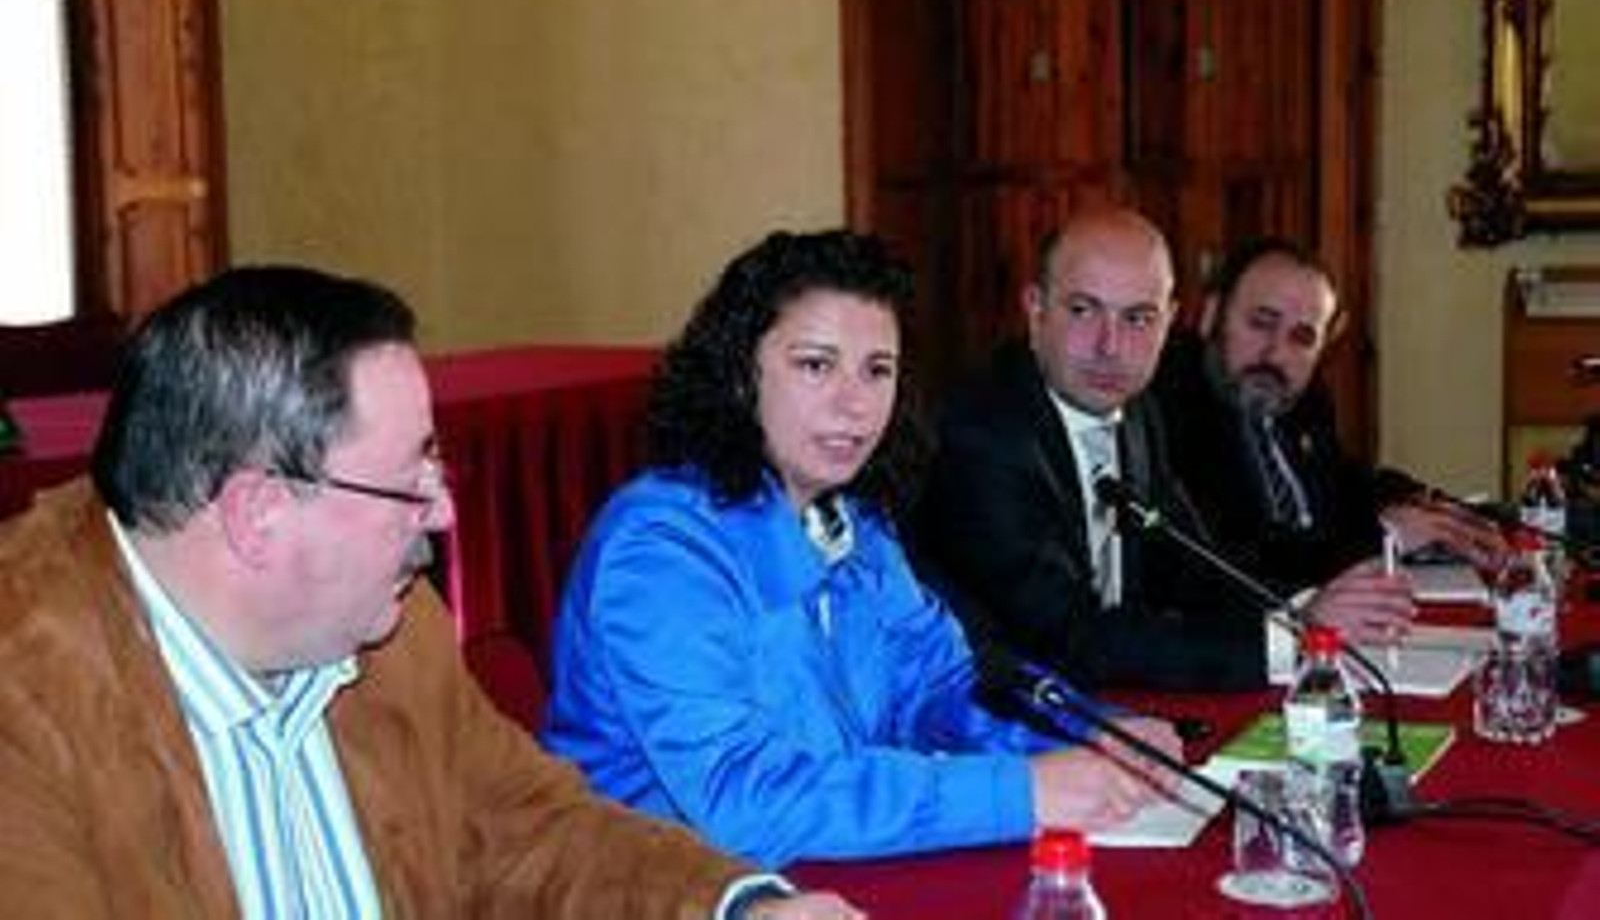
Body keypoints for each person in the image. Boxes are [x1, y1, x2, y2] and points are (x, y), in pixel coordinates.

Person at [0, 266, 856, 919]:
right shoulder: (26, 697)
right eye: (408, 478)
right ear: (257, 514)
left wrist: (740, 906)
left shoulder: (380, 625)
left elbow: (525, 828)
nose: (443, 512)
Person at [542, 229, 1178, 869]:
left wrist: (1087, 730)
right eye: (816, 365)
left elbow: (943, 687)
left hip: (828, 878)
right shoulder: (660, 552)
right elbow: (744, 798)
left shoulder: (853, 523)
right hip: (669, 892)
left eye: (877, 371)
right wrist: (1021, 791)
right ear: (739, 372)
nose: (854, 405)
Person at [912, 206, 1269, 692]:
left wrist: (1303, 616)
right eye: (1083, 310)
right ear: (1035, 310)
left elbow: (1196, 571)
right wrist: (1277, 650)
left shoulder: (1138, 412)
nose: (1110, 346)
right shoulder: (983, 432)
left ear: (1170, 321)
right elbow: (1068, 640)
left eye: (1139, 319)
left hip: (1113, 700)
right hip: (1004, 721)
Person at [1151, 237, 1504, 642]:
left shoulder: (1302, 396)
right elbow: (1240, 558)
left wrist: (1442, 512)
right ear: (1211, 315)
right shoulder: (1170, 406)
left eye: (1302, 337)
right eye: (1261, 323)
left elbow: (1348, 482)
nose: (1276, 352)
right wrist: (1384, 536)